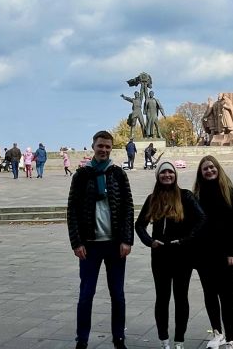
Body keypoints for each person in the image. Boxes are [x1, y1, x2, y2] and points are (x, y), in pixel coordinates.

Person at [67, 130, 134, 349]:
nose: (103, 150)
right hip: (89, 245)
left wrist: (127, 240)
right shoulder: (81, 175)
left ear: (111, 148)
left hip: (115, 245)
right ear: (93, 147)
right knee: (86, 295)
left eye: (107, 146)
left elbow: (127, 209)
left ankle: (119, 338)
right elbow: (72, 211)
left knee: (118, 295)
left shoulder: (118, 174)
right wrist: (76, 243)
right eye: (100, 146)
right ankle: (82, 339)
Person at [135, 161, 205, 349]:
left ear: (175, 175)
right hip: (160, 255)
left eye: (170, 172)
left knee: (181, 297)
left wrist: (186, 240)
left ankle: (179, 340)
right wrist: (150, 241)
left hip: (182, 255)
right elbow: (140, 224)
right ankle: (164, 338)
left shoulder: (185, 196)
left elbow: (201, 219)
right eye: (163, 172)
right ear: (158, 176)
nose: (167, 175)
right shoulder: (152, 198)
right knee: (162, 297)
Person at [193, 156, 233, 349]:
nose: (209, 171)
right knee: (209, 295)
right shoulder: (196, 195)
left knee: (226, 297)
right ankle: (217, 333)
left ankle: (231, 339)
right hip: (203, 254)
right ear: (201, 173)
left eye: (212, 167)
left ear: (218, 169)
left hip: (225, 254)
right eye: (205, 169)